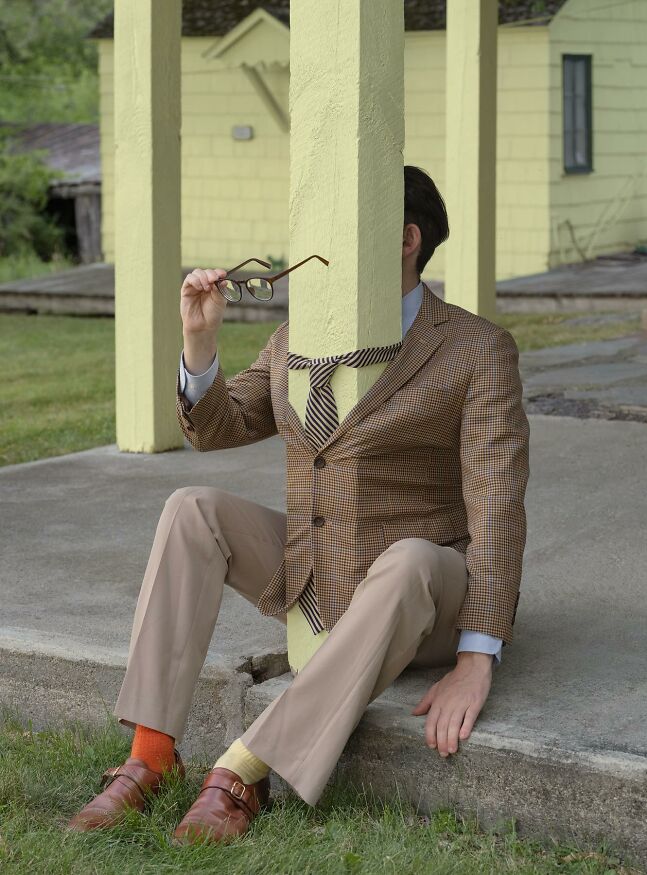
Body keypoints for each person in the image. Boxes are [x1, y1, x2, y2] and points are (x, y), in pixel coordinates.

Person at [67, 165, 529, 844]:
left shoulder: (476, 348)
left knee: (407, 561)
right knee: (193, 509)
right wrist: (200, 342)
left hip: (426, 590)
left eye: (346, 229)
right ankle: (150, 754)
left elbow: (498, 508)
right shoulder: (297, 336)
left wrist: (475, 659)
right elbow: (220, 427)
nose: (322, 243)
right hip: (321, 571)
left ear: (406, 240)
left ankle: (246, 767)